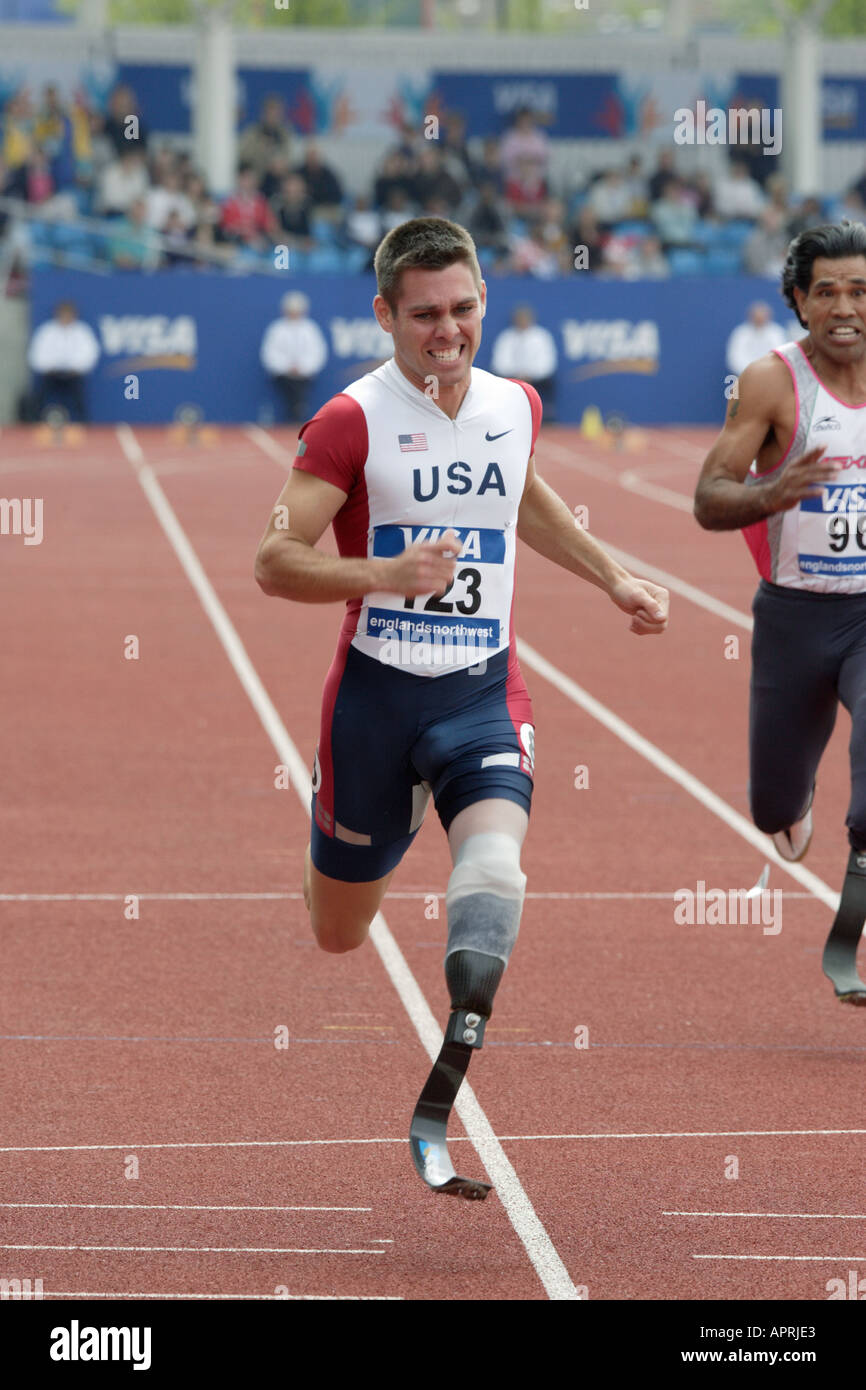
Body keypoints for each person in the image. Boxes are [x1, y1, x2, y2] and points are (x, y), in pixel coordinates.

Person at [254, 216, 669, 1191]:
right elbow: (273, 560)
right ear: (385, 316)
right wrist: (383, 571)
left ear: (484, 298)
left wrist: (612, 577)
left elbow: (520, 497)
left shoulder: (513, 402)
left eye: (463, 309)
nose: (448, 332)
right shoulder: (348, 420)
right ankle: (351, 842)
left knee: (494, 858)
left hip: (483, 690)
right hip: (373, 702)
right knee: (337, 930)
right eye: (426, 315)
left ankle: (466, 1004)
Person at [693, 221, 866, 1003]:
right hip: (795, 616)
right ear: (798, 300)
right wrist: (772, 492)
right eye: (825, 290)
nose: (844, 307)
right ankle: (791, 802)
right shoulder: (771, 383)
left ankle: (853, 908)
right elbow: (709, 498)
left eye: (860, 291)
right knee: (770, 803)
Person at [260, 291, 328, 424]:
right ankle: (295, 417)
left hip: (305, 375)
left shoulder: (310, 329)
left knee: (299, 391)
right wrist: (286, 367)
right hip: (283, 375)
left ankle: (297, 417)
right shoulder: (277, 329)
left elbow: (318, 353)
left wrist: (303, 368)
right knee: (292, 392)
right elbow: (270, 354)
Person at [26, 300, 100, 422]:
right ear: (57, 314)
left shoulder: (82, 331)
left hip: (74, 375)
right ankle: (32, 422)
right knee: (38, 395)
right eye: (63, 313)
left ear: (74, 314)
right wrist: (48, 367)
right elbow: (36, 353)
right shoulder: (47, 330)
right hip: (50, 374)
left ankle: (83, 424)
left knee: (79, 398)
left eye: (68, 313)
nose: (65, 317)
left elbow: (90, 354)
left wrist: (76, 368)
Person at [491, 304, 558, 420]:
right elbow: (499, 363)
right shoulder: (506, 337)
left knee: (548, 383)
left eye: (525, 318)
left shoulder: (541, 336)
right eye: (520, 318)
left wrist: (530, 375)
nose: (522, 321)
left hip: (537, 379)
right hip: (512, 378)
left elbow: (547, 364)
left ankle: (545, 416)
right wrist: (517, 375)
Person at [725, 301, 787, 378]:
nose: (759, 319)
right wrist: (750, 371)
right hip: (745, 377)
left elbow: (781, 355)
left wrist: (766, 371)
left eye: (762, 316)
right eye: (756, 317)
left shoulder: (776, 332)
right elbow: (734, 358)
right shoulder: (741, 333)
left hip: (771, 377)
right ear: (750, 316)